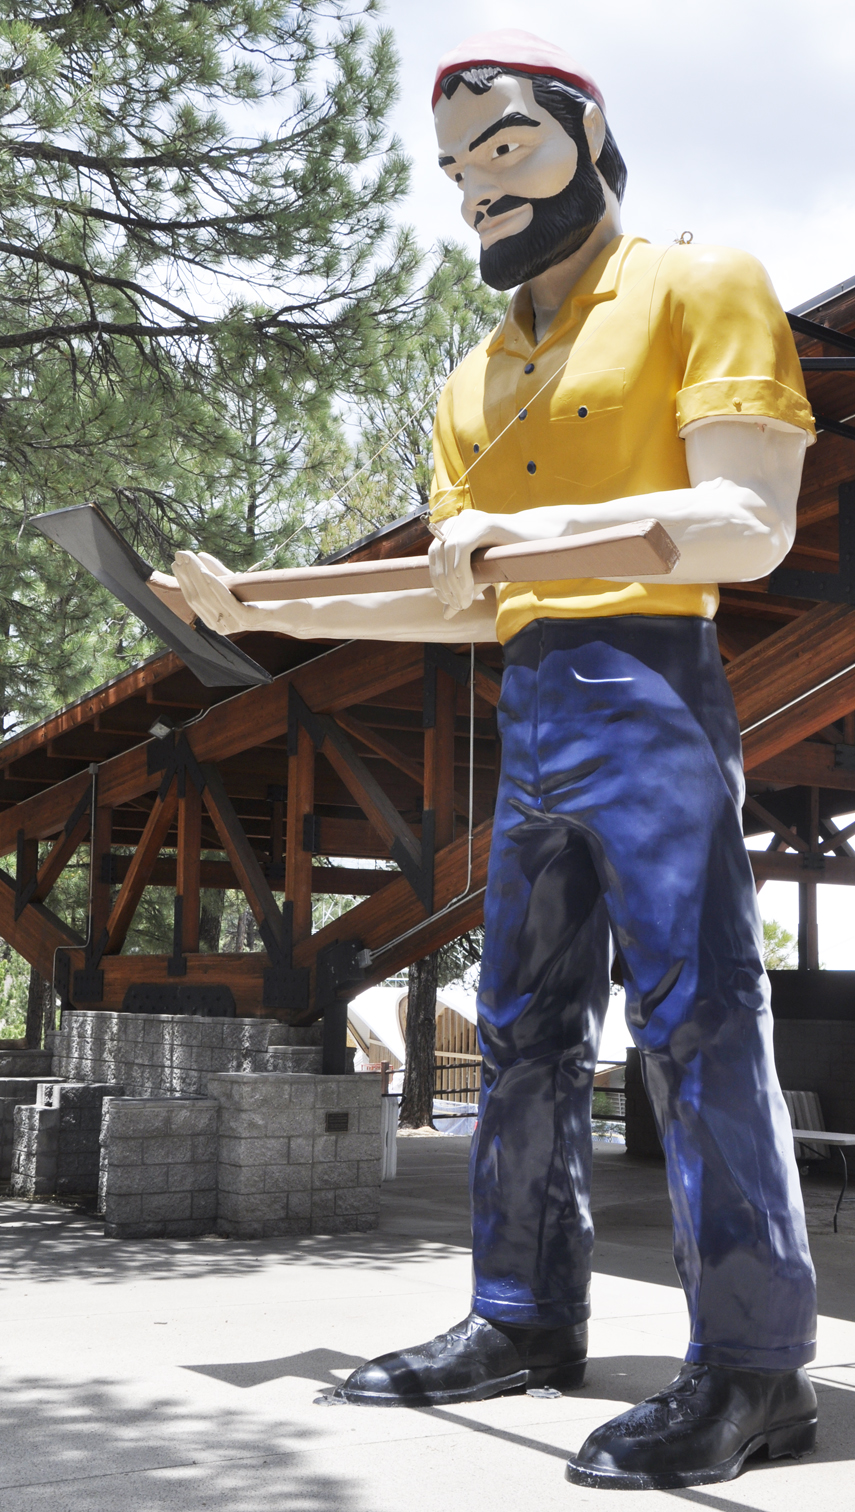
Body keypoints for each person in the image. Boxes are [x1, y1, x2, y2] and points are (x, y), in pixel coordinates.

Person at [172, 30, 819, 1491]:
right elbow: (465, 597)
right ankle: (522, 1313)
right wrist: (256, 603)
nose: (479, 186)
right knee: (523, 1025)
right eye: (457, 169)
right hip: (534, 706)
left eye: (507, 146)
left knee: (700, 1021)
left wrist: (527, 536)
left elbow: (749, 524)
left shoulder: (698, 283)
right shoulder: (472, 379)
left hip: (650, 687)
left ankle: (756, 1364)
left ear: (587, 136)